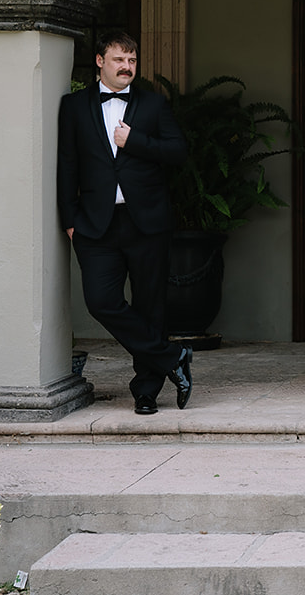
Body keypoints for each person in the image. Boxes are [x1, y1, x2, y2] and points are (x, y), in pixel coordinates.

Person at [57, 30, 194, 415]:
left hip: (147, 223)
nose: (127, 67)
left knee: (152, 307)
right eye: (119, 60)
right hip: (95, 225)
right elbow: (67, 164)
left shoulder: (153, 105)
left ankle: (146, 391)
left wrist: (135, 141)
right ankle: (172, 357)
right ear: (99, 61)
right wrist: (69, 219)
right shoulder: (73, 107)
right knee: (101, 301)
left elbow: (178, 152)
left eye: (132, 61)